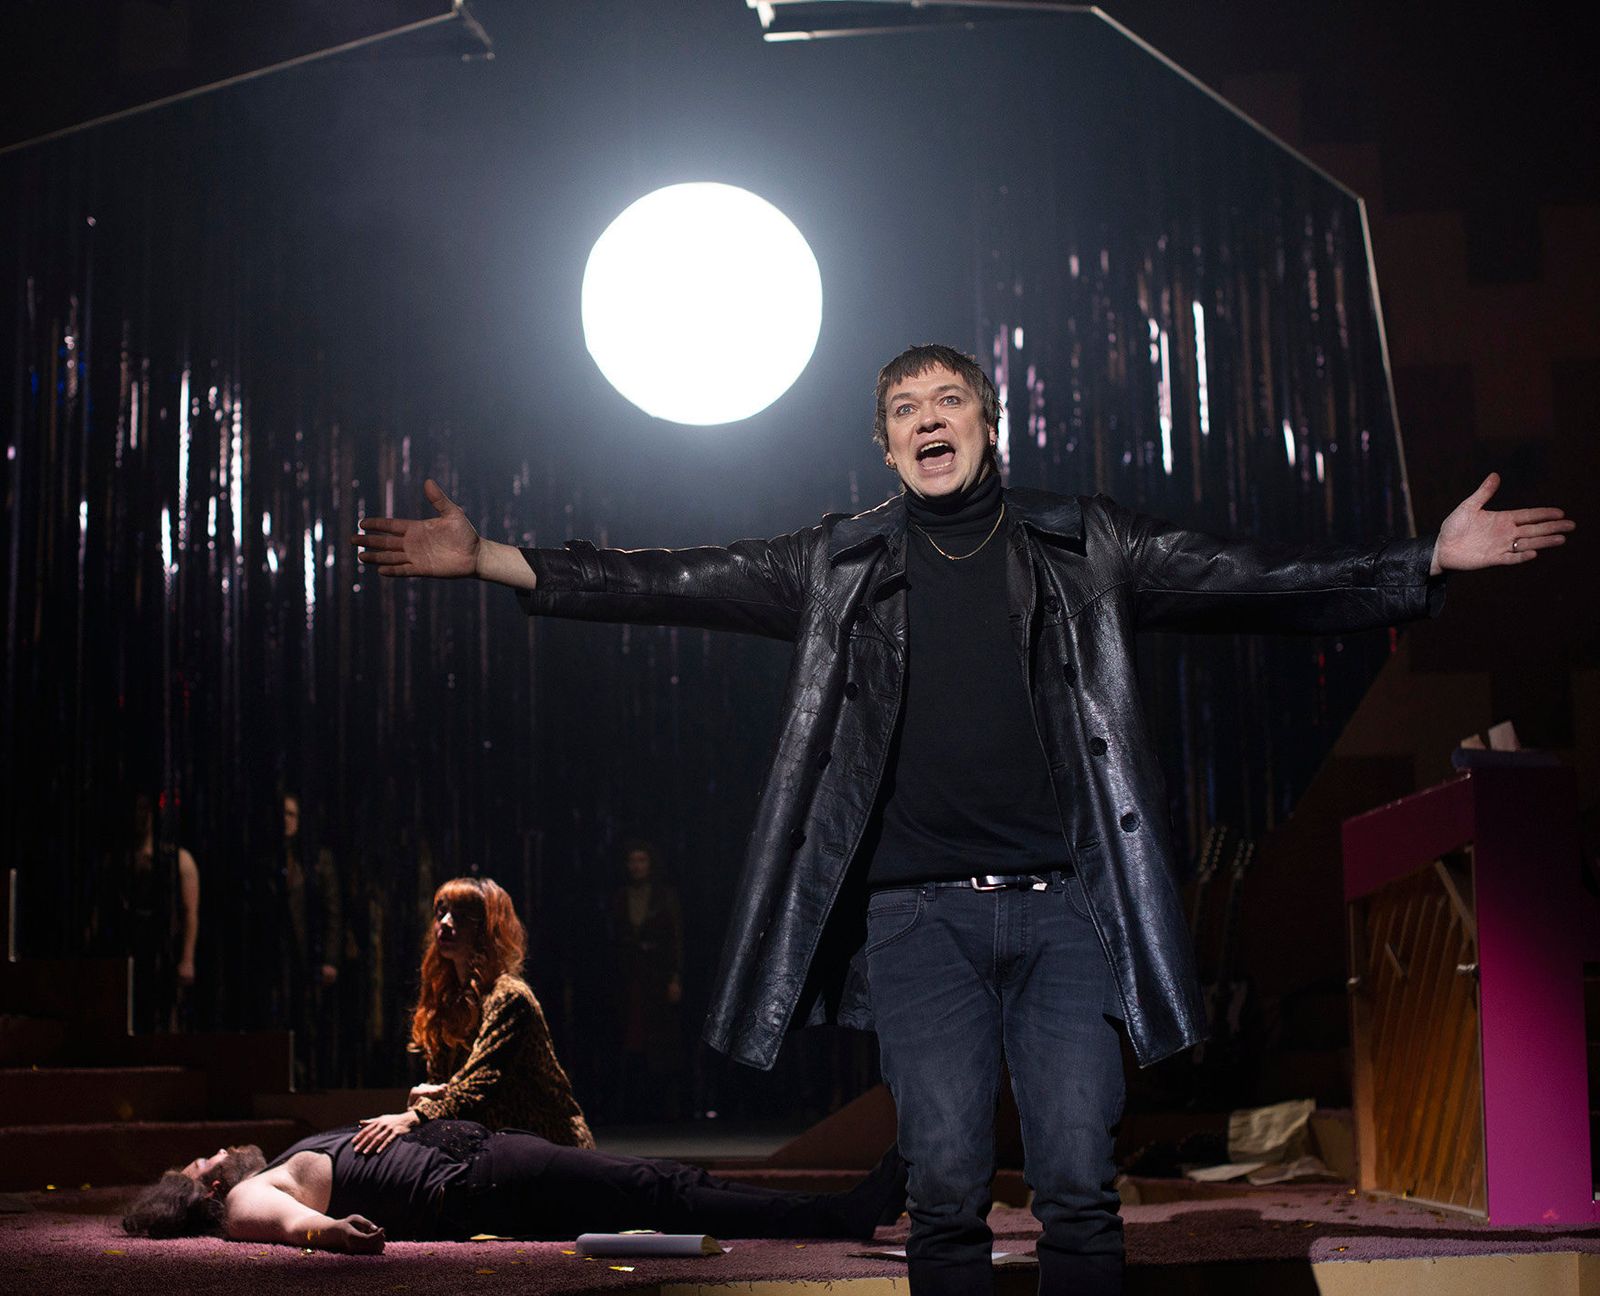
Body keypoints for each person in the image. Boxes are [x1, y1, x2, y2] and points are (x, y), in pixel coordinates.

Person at [353, 343, 1573, 1294]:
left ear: (988, 425)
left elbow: (1249, 576)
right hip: (918, 928)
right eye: (905, 408)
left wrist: (1422, 560)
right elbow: (668, 578)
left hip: (1067, 916)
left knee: (1078, 1184)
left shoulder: (1082, 540)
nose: (927, 419)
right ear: (884, 446)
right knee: (941, 1188)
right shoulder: (836, 563)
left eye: (948, 401)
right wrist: (493, 557)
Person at [120, 1120, 907, 1251]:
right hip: (475, 1184)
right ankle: (840, 1215)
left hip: (480, 1160)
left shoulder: (277, 1162)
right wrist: (334, 1233)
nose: (216, 1153)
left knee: (659, 1185)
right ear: (203, 1193)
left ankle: (835, 1214)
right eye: (202, 1164)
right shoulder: (241, 1200)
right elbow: (293, 1226)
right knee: (654, 1187)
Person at [352, 876, 594, 1153]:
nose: (445, 922)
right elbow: (446, 1086)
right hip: (492, 1148)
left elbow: (480, 1083)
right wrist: (424, 1099)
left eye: (461, 916)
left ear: (486, 929)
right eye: (441, 912)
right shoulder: (447, 1000)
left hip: (550, 1147)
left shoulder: (510, 997)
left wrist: (416, 1115)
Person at [90, 792, 199, 1033]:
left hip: (161, 954)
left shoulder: (179, 861)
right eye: (135, 809)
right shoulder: (116, 862)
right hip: (126, 950)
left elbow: (190, 912)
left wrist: (187, 958)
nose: (139, 816)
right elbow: (100, 908)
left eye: (144, 809)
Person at [270, 792, 342, 1088]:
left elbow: (333, 911)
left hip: (308, 955)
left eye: (291, 814)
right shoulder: (268, 859)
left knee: (309, 1022)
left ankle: (311, 1081)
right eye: (282, 814)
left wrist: (330, 958)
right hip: (279, 955)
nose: (286, 821)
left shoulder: (316, 860)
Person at [611, 840, 685, 1120]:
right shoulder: (621, 897)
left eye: (641, 860)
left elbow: (676, 939)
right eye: (633, 861)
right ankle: (634, 1108)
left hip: (657, 978)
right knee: (633, 1038)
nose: (637, 866)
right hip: (631, 978)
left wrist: (675, 977)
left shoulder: (664, 896)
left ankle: (662, 1108)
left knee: (660, 1043)